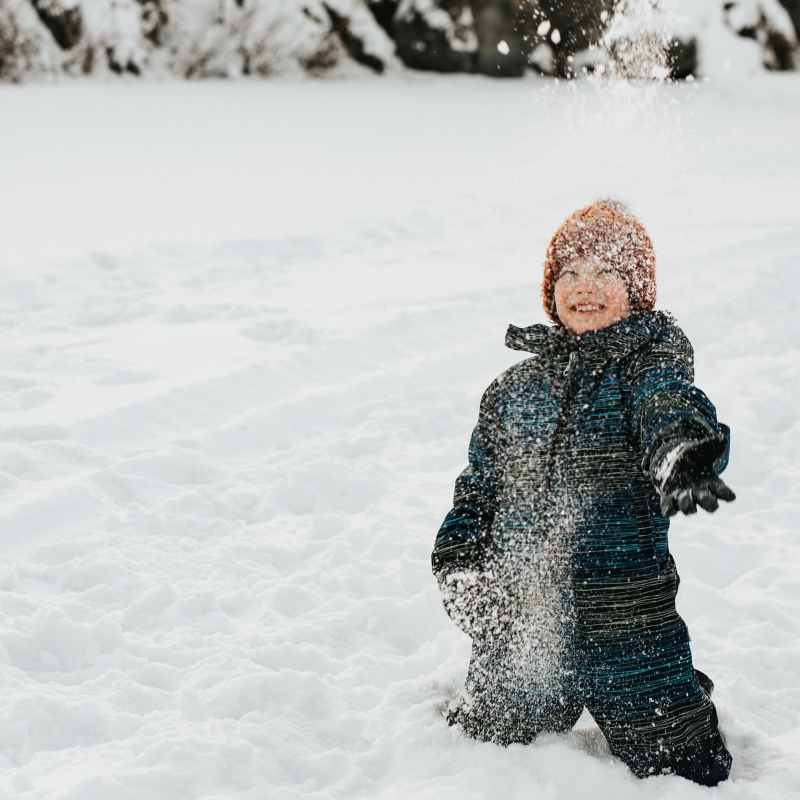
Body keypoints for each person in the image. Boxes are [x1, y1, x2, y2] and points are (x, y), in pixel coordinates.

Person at [431, 200, 736, 786]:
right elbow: (477, 489)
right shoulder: (511, 391)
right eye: (570, 274)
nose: (584, 287)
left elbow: (667, 409)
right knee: (487, 745)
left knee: (686, 766)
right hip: (528, 620)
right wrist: (460, 559)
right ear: (551, 291)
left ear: (636, 291)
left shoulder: (648, 366)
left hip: (628, 619)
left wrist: (681, 452)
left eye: (605, 273)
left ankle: (678, 693)